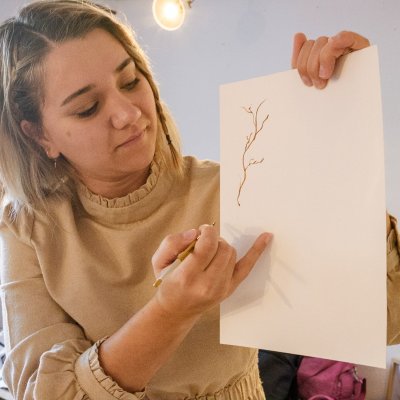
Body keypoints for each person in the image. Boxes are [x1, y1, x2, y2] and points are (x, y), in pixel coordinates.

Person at [0, 1, 397, 399]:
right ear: (39, 135)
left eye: (130, 81)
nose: (127, 114)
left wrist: (346, 130)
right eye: (87, 108)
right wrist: (169, 312)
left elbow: (386, 321)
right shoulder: (27, 229)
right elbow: (45, 392)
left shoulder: (236, 190)